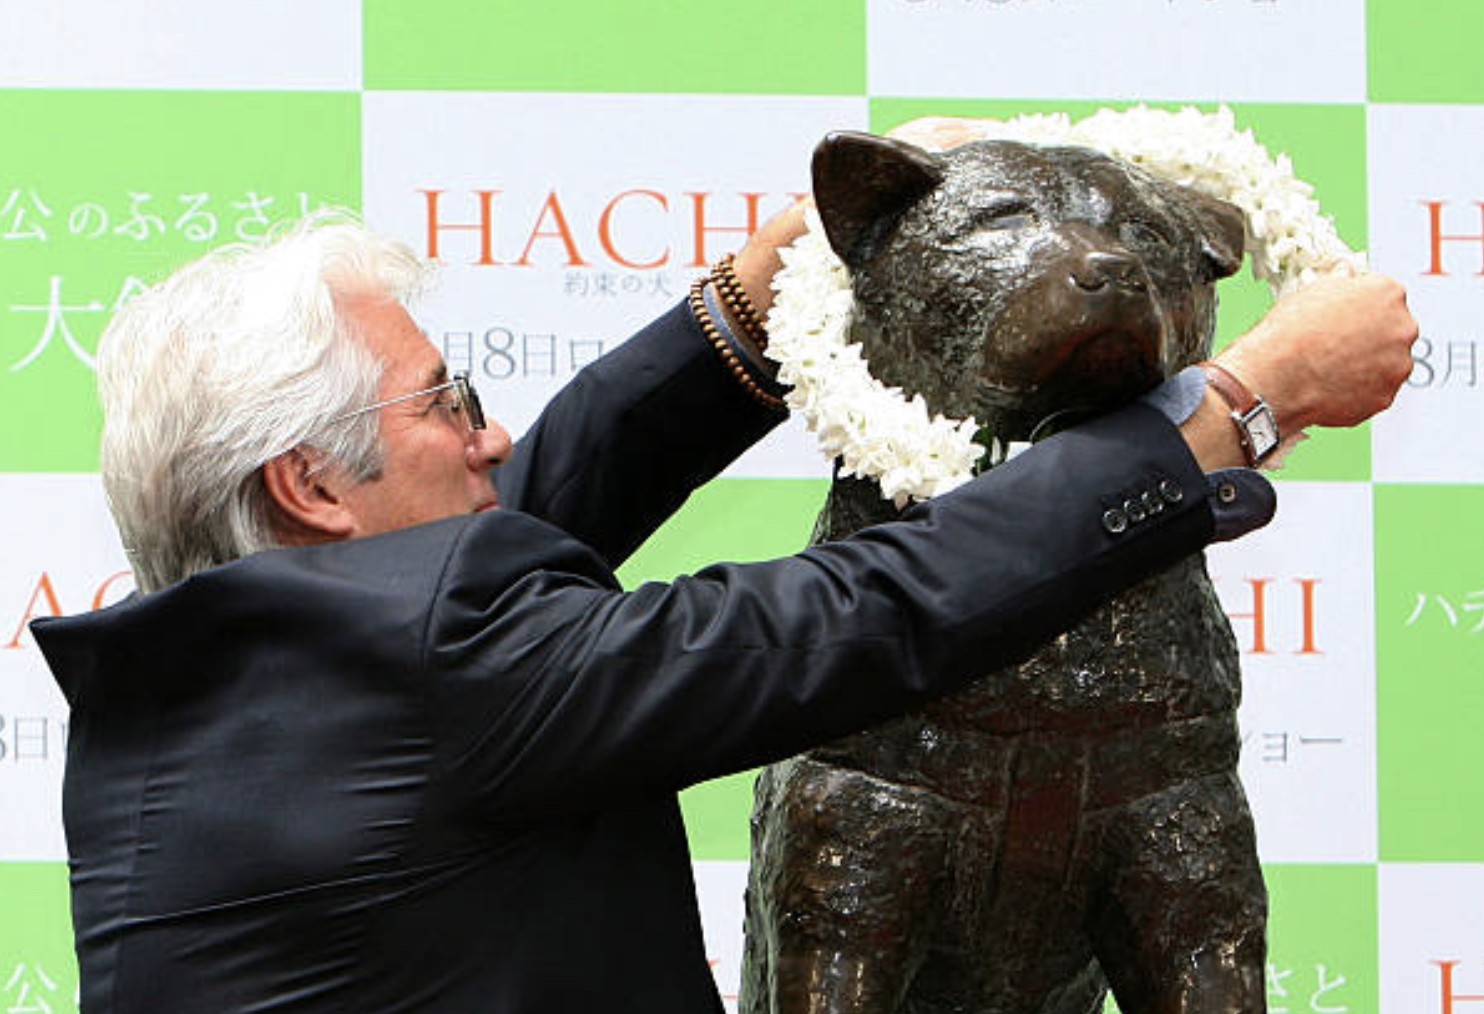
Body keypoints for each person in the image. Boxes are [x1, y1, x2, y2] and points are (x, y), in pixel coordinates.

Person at [32, 190, 1415, 1013]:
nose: (491, 433)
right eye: (447, 401)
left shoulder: (198, 703)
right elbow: (871, 609)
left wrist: (765, 288)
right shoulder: (438, 665)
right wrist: (1239, 404)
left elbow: (523, 517)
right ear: (313, 487)